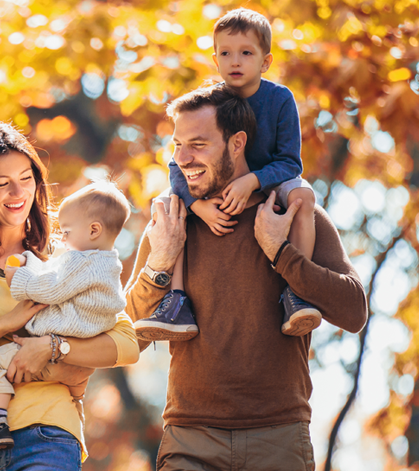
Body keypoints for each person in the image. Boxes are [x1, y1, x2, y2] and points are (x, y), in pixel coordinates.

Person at [126, 85, 367, 470]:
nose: (182, 159)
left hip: (279, 438)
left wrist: (280, 252)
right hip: (189, 439)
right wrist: (160, 261)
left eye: (198, 145)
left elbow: (354, 312)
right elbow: (125, 337)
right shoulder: (171, 223)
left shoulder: (292, 216)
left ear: (237, 143)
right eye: (177, 145)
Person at [0, 122, 140, 470]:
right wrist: (5, 323)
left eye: (26, 178)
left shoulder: (66, 256)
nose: (18, 192)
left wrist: (52, 347)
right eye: (1, 184)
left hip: (47, 434)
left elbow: (126, 344)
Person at [138, 8, 322, 341]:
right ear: (215, 59)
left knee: (303, 196)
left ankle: (297, 292)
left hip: (269, 183)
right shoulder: (212, 101)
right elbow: (178, 164)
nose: (235, 61)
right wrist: (197, 205)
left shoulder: (280, 99)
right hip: (212, 187)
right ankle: (176, 301)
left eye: (246, 53)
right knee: (168, 206)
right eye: (225, 53)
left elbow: (290, 162)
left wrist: (252, 180)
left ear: (265, 62)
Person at [0, 181, 131, 453]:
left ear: (94, 230)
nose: (63, 239)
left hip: (59, 335)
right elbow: (55, 272)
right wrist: (31, 261)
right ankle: (75, 402)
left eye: (67, 231)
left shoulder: (80, 261)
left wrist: (18, 278)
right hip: (83, 341)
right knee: (75, 385)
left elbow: (51, 287)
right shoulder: (107, 263)